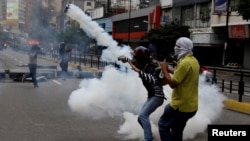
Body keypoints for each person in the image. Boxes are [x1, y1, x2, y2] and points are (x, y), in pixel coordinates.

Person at [118, 46, 166, 141]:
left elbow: (152, 79)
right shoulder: (143, 63)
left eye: (136, 56)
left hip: (157, 96)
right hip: (151, 96)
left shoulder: (149, 67)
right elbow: (134, 62)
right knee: (140, 118)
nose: (134, 58)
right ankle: (150, 135)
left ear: (141, 58)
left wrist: (139, 72)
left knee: (143, 116)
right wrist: (126, 59)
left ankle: (148, 139)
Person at [158, 37, 200, 141]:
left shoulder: (184, 63)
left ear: (183, 48)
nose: (175, 48)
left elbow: (173, 84)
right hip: (191, 106)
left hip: (180, 106)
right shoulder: (193, 61)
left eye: (177, 46)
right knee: (177, 130)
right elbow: (181, 74)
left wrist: (164, 70)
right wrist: (169, 69)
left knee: (163, 125)